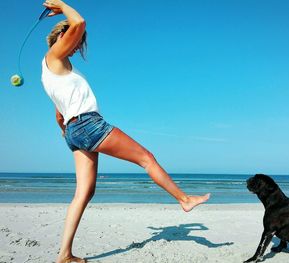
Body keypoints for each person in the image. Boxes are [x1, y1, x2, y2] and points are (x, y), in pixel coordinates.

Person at [41, 1, 210, 262]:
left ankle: (64, 255)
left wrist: (66, 131)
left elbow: (58, 113)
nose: (75, 50)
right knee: (147, 157)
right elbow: (80, 22)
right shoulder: (54, 56)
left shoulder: (49, 71)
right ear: (62, 37)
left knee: (84, 193)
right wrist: (62, 5)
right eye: (75, 44)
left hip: (74, 131)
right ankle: (184, 199)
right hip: (88, 124)